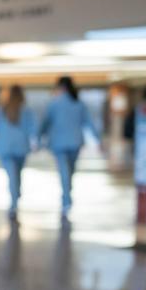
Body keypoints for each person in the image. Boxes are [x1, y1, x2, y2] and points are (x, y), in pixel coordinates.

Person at [39, 76, 100, 217]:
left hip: (58, 144)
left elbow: (45, 123)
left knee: (65, 172)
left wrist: (37, 138)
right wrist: (97, 140)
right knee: (69, 172)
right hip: (75, 143)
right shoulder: (78, 104)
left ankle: (66, 198)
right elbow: (89, 123)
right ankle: (67, 197)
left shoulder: (54, 104)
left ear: (61, 88)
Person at [0, 85, 35, 219]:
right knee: (17, 174)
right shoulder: (26, 110)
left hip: (5, 148)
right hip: (21, 148)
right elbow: (32, 128)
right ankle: (16, 197)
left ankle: (14, 201)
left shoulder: (1, 110)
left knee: (12, 176)